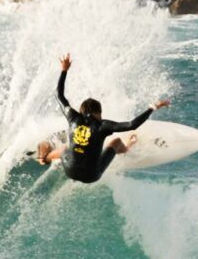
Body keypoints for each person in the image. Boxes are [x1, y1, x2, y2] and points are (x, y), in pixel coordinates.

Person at [37, 53, 170, 183]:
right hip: (91, 176)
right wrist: (153, 107)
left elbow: (59, 95)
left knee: (65, 149)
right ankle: (127, 148)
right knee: (116, 142)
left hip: (70, 171)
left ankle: (45, 159)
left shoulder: (73, 117)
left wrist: (64, 70)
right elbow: (132, 125)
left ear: (82, 111)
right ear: (98, 112)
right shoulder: (102, 126)